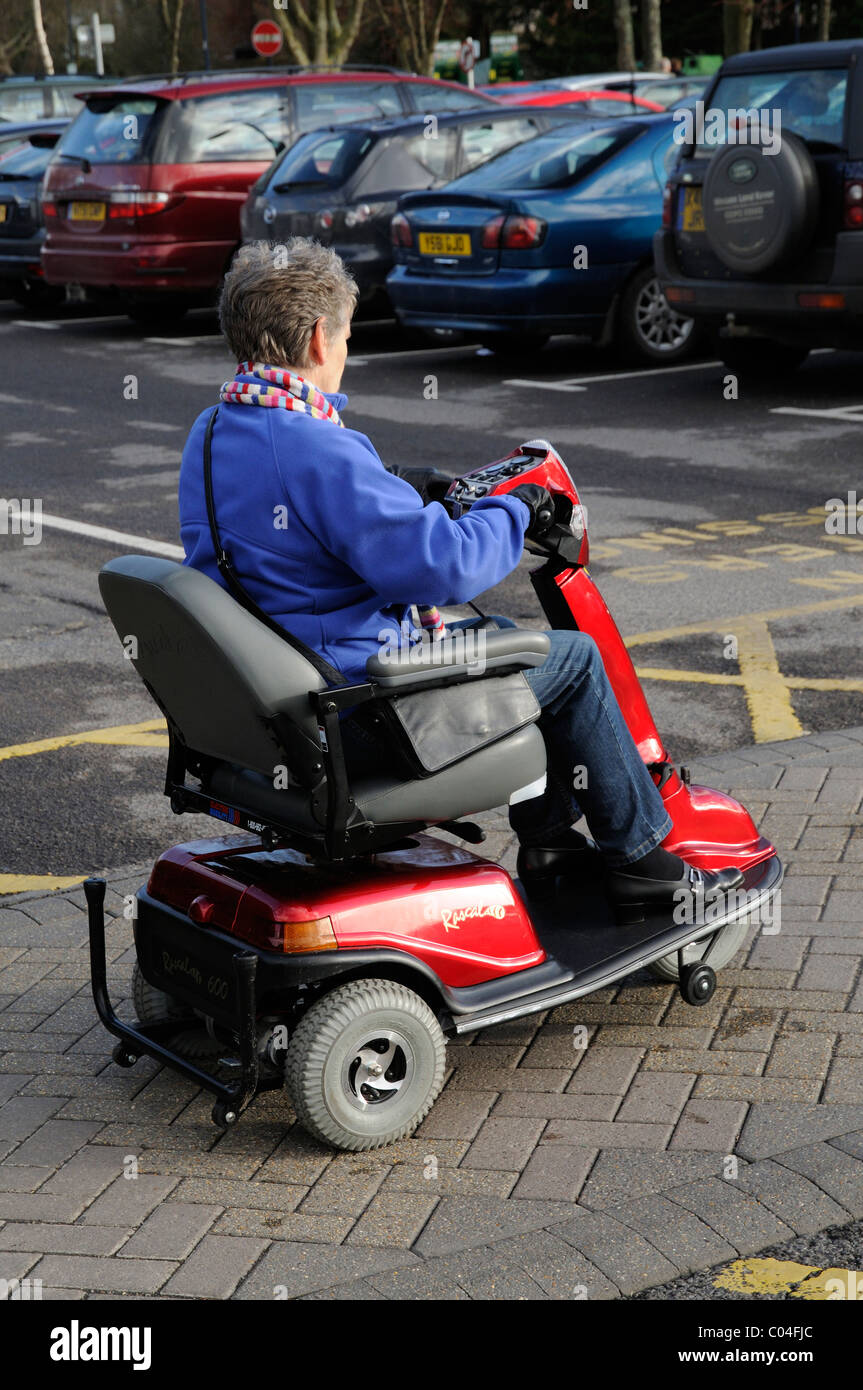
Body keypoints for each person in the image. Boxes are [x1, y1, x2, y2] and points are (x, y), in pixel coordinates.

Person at [178, 239, 743, 918]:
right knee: (573, 661)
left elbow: (307, 526)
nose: (347, 352)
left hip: (275, 705)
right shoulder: (318, 447)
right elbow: (440, 569)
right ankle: (640, 856)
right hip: (357, 713)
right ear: (321, 336)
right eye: (350, 337)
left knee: (498, 637)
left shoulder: (213, 429)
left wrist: (401, 491)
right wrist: (516, 507)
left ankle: (552, 845)